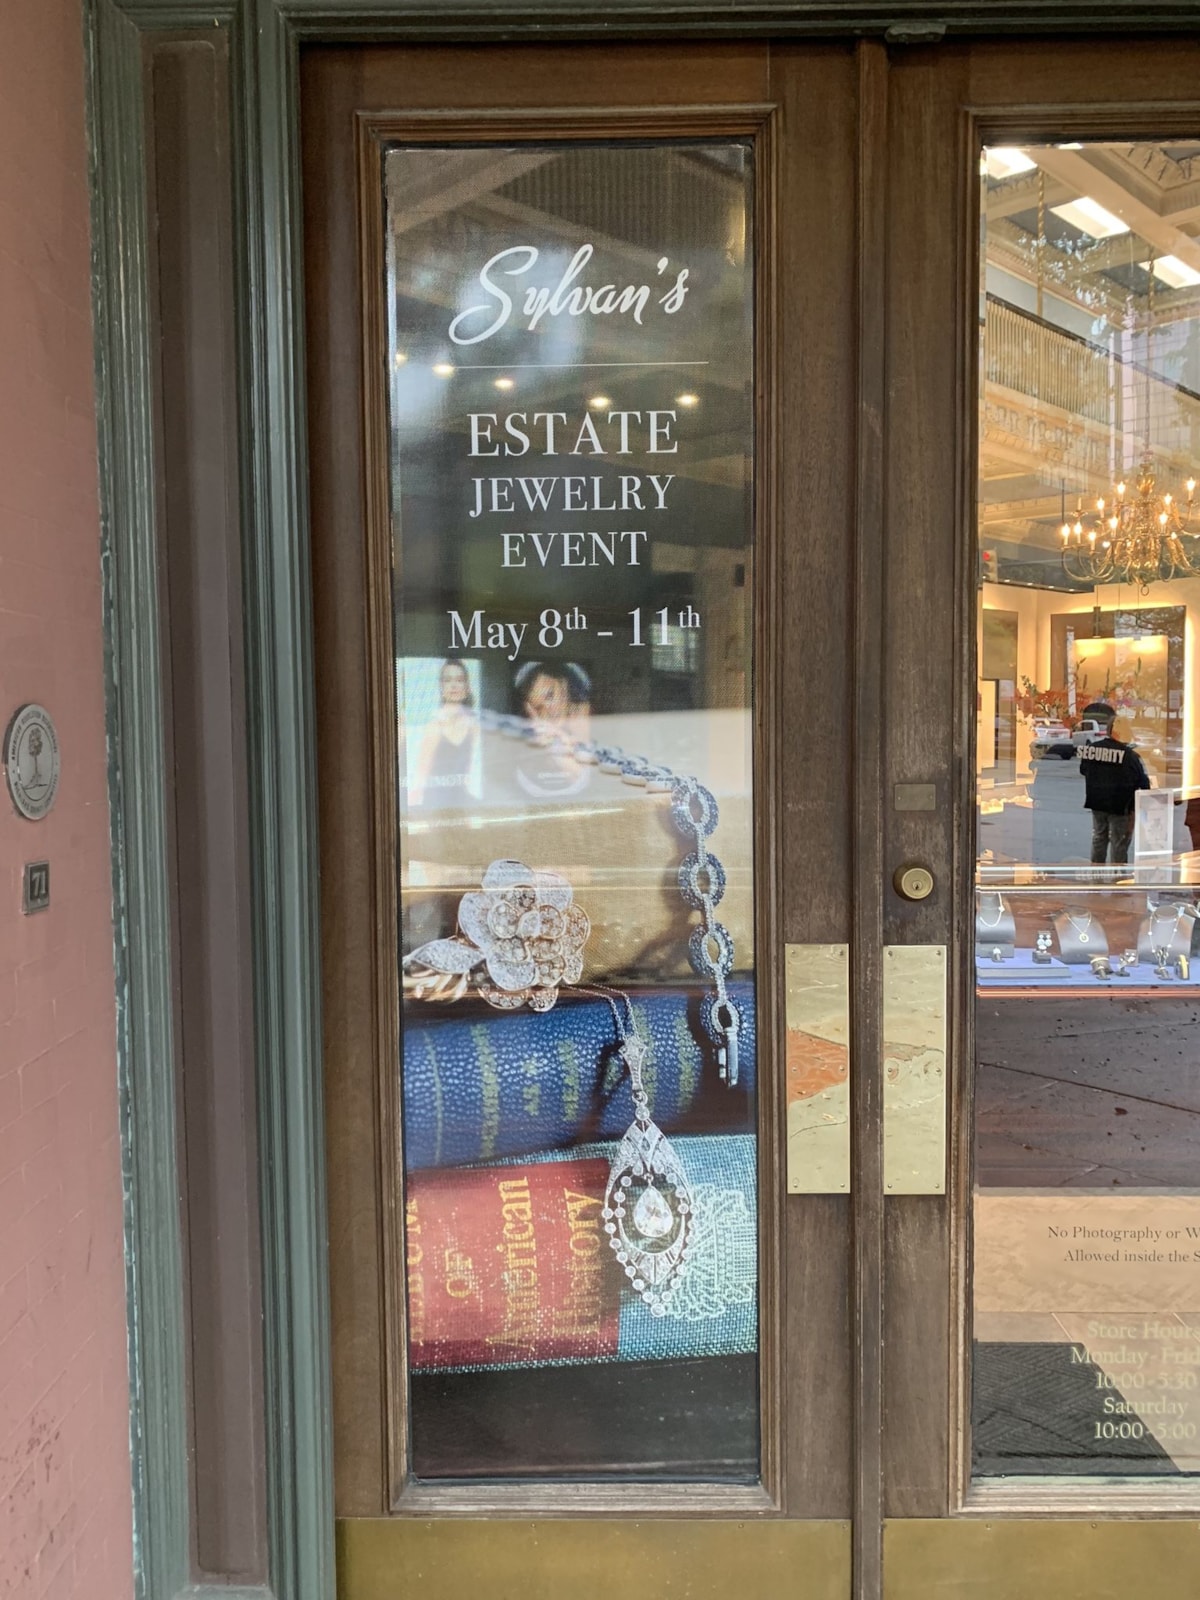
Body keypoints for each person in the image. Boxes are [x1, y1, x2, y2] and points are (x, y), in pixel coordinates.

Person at [1076, 701, 1150, 865]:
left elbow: (1083, 770)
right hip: (1120, 806)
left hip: (1097, 802)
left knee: (1099, 837)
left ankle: (1096, 872)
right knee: (1119, 842)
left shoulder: (1093, 749)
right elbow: (1143, 782)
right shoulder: (1130, 755)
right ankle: (1118, 875)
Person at [409, 657, 478, 806]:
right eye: (448, 680)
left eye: (459, 680)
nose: (454, 685)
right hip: (435, 803)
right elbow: (422, 772)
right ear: (441, 687)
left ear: (467, 686)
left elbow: (471, 771)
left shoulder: (473, 726)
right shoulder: (434, 726)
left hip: (462, 802)